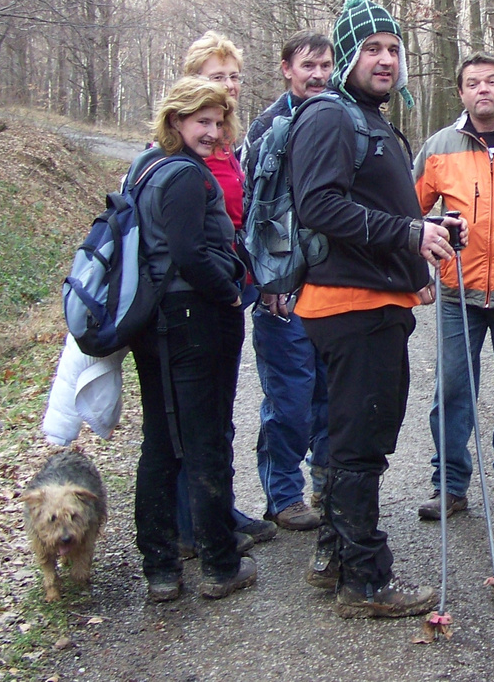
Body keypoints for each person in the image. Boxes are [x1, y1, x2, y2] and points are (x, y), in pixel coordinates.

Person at [289, 0, 466, 619]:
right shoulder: (331, 117)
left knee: (354, 439)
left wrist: (427, 224)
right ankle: (366, 582)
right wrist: (410, 234)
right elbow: (318, 206)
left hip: (374, 303)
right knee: (361, 443)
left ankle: (338, 557)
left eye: (393, 48)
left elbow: (374, 212)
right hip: (351, 307)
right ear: (345, 55)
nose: (386, 59)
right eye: (371, 48)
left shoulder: (369, 119)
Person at [131, 77, 258, 602]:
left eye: (218, 122)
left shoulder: (145, 168)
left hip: (153, 319)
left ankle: (160, 569)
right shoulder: (185, 174)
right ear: (176, 121)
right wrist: (229, 292)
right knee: (203, 441)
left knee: (161, 440)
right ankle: (219, 565)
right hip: (193, 319)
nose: (211, 132)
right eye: (200, 121)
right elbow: (187, 251)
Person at [413, 54, 494, 522]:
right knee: (450, 390)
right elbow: (407, 211)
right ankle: (449, 484)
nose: (482, 89)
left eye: (491, 80)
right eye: (472, 83)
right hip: (456, 291)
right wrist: (429, 231)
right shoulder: (439, 146)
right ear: (462, 94)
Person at [176, 33, 279, 550]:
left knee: (218, 414)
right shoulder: (178, 151)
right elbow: (185, 241)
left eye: (234, 76)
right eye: (217, 77)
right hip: (198, 299)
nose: (230, 85)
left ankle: (219, 512)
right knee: (190, 417)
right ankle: (191, 526)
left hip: (227, 288)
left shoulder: (228, 144)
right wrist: (225, 289)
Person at [241, 32, 336, 533]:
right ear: (286, 69)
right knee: (290, 398)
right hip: (280, 291)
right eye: (308, 66)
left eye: (325, 65)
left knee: (330, 392)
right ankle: (283, 494)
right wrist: (265, 282)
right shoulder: (264, 130)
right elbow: (251, 216)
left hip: (330, 284)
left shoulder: (338, 117)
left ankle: (325, 482)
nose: (317, 75)